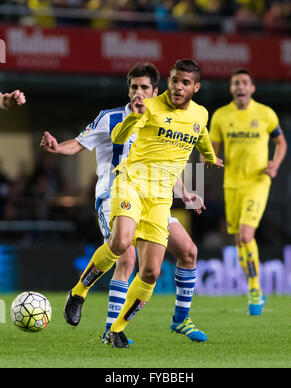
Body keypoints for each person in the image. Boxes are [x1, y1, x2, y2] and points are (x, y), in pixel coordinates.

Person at [40, 62, 214, 345]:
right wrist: (58, 147)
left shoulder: (172, 114)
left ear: (155, 90)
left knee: (187, 251)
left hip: (157, 196)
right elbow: (80, 143)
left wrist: (186, 191)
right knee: (126, 252)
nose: (139, 92)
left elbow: (170, 159)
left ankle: (178, 319)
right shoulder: (110, 117)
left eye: (145, 87)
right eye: (134, 87)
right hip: (116, 192)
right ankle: (95, 311)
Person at [209, 68, 287, 316]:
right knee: (238, 240)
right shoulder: (221, 116)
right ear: (231, 89)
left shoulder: (265, 114)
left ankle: (255, 288)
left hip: (257, 183)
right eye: (236, 83)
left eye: (244, 82)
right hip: (231, 184)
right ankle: (255, 288)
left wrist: (275, 163)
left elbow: (280, 142)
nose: (240, 86)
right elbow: (211, 148)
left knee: (245, 234)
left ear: (252, 88)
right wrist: (208, 157)